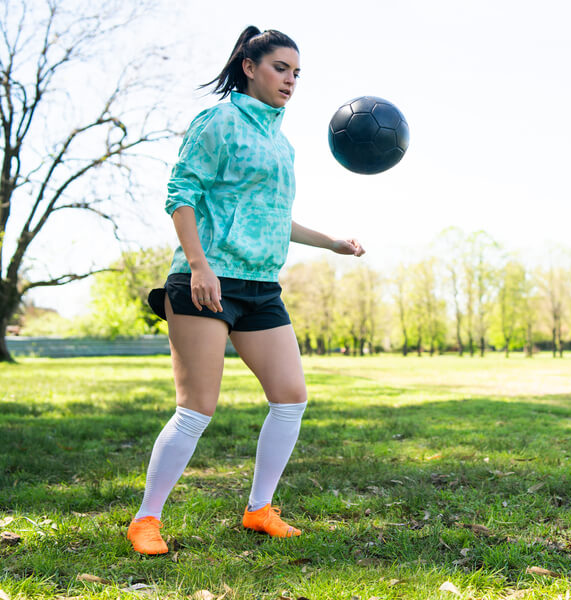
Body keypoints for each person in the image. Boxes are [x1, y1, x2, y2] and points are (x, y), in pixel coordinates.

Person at [126, 27, 365, 555]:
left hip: (260, 286)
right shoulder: (218, 121)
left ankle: (259, 509)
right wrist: (198, 266)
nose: (291, 80)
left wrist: (330, 243)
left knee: (290, 398)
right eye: (281, 68)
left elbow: (277, 218)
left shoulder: (282, 144)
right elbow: (181, 193)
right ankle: (146, 519)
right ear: (249, 67)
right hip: (204, 283)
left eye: (297, 73)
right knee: (196, 409)